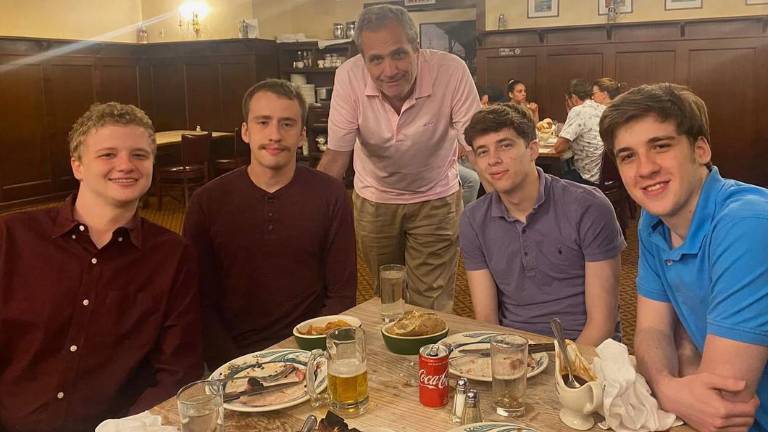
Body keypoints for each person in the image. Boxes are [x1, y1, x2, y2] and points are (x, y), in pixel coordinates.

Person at [0, 103, 202, 432]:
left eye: (139, 155)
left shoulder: (171, 255)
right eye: (108, 154)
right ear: (77, 165)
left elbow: (178, 370)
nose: (125, 165)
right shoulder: (11, 238)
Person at [600, 83, 768, 432]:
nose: (644, 169)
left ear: (701, 149)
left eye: (660, 146)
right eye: (628, 155)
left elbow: (722, 403)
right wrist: (669, 386)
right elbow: (650, 330)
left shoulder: (747, 223)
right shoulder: (653, 220)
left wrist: (682, 362)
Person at [183, 79, 357, 369]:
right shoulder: (207, 201)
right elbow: (198, 299)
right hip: (232, 358)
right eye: (263, 122)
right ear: (246, 131)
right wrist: (235, 364)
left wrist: (307, 355)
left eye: (287, 124)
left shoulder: (331, 195)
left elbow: (342, 294)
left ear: (302, 135)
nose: (275, 134)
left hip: (312, 353)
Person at [316, 4, 479, 312]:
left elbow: (476, 146)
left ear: (416, 47)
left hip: (436, 197)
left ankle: (429, 361)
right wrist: (304, 215)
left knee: (430, 303)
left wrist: (515, 205)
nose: (389, 70)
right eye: (376, 59)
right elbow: (336, 158)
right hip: (374, 199)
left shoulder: (452, 71)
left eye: (399, 54)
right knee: (388, 297)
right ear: (363, 60)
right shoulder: (348, 77)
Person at [460, 103, 625, 345]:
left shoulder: (588, 207)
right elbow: (487, 318)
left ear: (532, 150)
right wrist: (507, 361)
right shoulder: (473, 220)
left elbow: (603, 323)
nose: (493, 160)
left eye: (505, 146)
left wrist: (564, 371)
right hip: (515, 351)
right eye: (483, 152)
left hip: (588, 351)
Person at [555, 78, 606, 186]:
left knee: (555, 176)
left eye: (567, 100)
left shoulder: (578, 111)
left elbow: (559, 148)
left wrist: (570, 112)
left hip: (588, 178)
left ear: (573, 97)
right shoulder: (603, 108)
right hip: (608, 175)